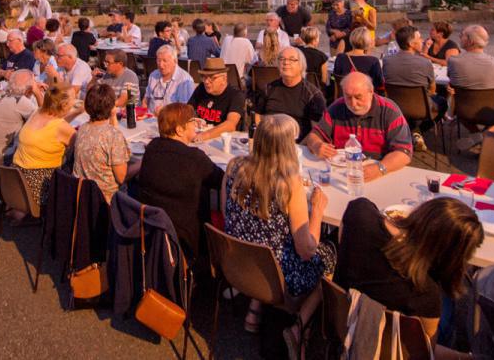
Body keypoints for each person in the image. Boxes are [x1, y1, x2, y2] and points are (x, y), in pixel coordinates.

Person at [224, 113, 335, 345]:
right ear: (287, 147)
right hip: (276, 274)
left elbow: (226, 213)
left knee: (266, 239)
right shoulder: (287, 183)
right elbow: (307, 250)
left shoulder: (235, 166)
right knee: (332, 255)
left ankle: (255, 305)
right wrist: (316, 212)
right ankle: (299, 325)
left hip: (239, 261)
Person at [336, 197, 483, 360]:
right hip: (387, 351)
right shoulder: (426, 294)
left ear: (424, 211)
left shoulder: (359, 213)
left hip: (338, 327)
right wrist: (466, 357)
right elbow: (426, 353)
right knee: (449, 308)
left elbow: (343, 240)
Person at [135, 102, 224, 257]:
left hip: (153, 229)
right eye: (192, 121)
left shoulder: (152, 148)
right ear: (179, 130)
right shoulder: (194, 158)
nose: (195, 124)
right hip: (184, 238)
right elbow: (221, 180)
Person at [306, 72, 413, 179]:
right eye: (348, 97)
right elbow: (314, 135)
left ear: (371, 92)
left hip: (379, 170)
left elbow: (404, 152)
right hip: (340, 172)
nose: (353, 103)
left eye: (358, 97)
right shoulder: (336, 107)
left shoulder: (389, 110)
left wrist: (379, 168)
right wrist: (316, 145)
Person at [14, 81, 76, 207]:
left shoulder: (37, 112)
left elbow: (54, 118)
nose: (75, 103)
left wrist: (78, 111)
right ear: (64, 104)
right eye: (74, 99)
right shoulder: (61, 127)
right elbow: (82, 144)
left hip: (16, 181)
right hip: (39, 188)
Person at [446, 25, 494, 149]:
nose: (459, 37)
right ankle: (484, 135)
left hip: (463, 110)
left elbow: (451, 80)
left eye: (462, 35)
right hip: (490, 111)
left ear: (470, 41)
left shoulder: (454, 61)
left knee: (459, 102)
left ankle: (477, 135)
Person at [381, 25, 438, 149]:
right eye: (419, 38)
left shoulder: (387, 61)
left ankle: (408, 131)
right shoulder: (424, 63)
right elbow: (433, 90)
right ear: (411, 43)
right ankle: (416, 131)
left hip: (394, 106)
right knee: (441, 103)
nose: (422, 40)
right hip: (420, 108)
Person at [72, 83, 131, 202]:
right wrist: (141, 164)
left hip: (82, 196)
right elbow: (121, 177)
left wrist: (112, 116)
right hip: (106, 201)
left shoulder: (83, 128)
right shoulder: (113, 136)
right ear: (111, 105)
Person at [255, 47, 326, 142]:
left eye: (292, 59)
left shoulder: (313, 95)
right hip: (269, 142)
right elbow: (258, 115)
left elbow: (318, 130)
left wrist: (301, 145)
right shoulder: (269, 89)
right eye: (282, 59)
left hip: (298, 145)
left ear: (301, 65)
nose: (286, 62)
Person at [0, 69, 41, 165]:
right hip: (1, 164)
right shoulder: (20, 101)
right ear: (29, 88)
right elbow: (46, 119)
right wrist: (37, 92)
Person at [187, 57, 245, 140]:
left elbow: (231, 124)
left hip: (222, 141)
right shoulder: (201, 88)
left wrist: (205, 135)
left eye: (212, 78)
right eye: (204, 77)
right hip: (198, 135)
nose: (206, 81)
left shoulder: (235, 95)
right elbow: (188, 108)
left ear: (224, 79)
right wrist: (191, 120)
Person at [332, 26, 385, 93]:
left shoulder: (340, 58)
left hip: (344, 96)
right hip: (365, 98)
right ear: (368, 42)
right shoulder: (373, 61)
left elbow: (334, 78)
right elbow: (380, 85)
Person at [144, 44, 194, 113]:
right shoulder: (153, 75)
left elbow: (186, 111)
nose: (161, 65)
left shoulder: (184, 80)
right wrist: (143, 110)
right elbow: (146, 99)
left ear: (175, 61)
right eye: (159, 60)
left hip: (171, 122)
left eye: (165, 61)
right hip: (149, 119)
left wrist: (165, 112)